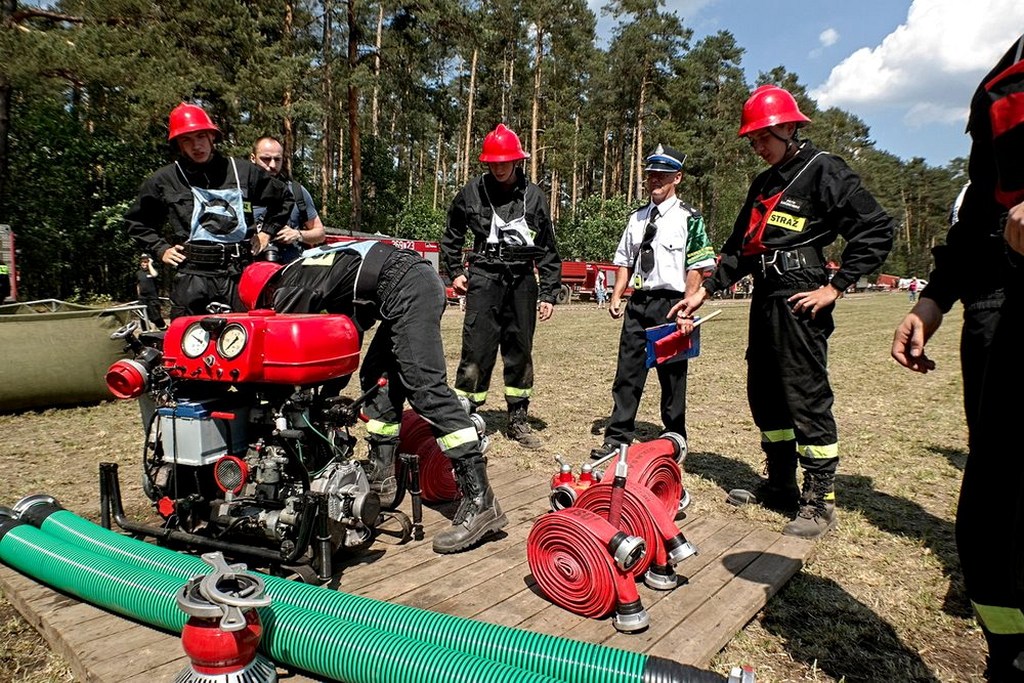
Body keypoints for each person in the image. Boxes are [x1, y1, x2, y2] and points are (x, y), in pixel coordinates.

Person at [671, 85, 895, 540]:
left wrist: (834, 287)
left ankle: (819, 499)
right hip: (766, 295)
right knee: (766, 392)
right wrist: (706, 290)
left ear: (789, 127)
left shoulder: (823, 169)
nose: (757, 146)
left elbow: (875, 228)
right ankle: (780, 483)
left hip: (801, 294)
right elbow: (740, 249)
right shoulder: (762, 183)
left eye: (763, 137)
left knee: (804, 395)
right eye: (752, 140)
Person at [891, 34, 1022, 681]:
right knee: (992, 512)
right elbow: (979, 213)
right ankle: (1009, 655)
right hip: (1003, 297)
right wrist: (933, 301)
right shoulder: (1003, 77)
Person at [237, 241, 507, 554]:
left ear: (266, 293)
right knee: (377, 379)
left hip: (406, 286)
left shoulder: (291, 285)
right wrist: (328, 396)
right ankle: (382, 477)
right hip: (405, 281)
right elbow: (343, 339)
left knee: (426, 389)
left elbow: (305, 352)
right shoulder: (312, 267)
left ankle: (481, 501)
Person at [589, 145, 715, 460]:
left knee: (672, 376)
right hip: (639, 303)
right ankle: (617, 437)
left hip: (671, 304)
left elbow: (697, 267)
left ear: (677, 177)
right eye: (651, 175)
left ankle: (674, 438)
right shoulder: (636, 218)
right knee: (627, 373)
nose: (655, 180)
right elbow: (624, 261)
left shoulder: (689, 218)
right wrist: (617, 294)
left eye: (662, 174)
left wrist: (687, 307)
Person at [440, 123, 562, 450]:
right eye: (493, 163)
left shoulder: (534, 196)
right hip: (484, 277)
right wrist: (455, 271)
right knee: (476, 349)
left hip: (522, 280)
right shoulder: (472, 191)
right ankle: (465, 415)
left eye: (504, 162)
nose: (498, 168)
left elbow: (548, 248)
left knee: (519, 349)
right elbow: (452, 235)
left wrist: (549, 292)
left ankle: (518, 418)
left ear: (516, 160)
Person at [124, 103, 292, 318]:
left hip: (239, 275)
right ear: (178, 144)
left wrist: (266, 232)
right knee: (187, 336)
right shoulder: (165, 179)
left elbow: (284, 198)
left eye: (201, 136)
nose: (196, 146)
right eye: (187, 140)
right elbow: (136, 221)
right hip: (193, 276)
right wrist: (160, 248)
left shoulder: (243, 172)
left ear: (212, 137)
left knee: (246, 334)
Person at [250, 136, 326, 263]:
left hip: (290, 269)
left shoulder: (296, 192)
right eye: (266, 159)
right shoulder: (241, 194)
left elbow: (320, 234)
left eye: (277, 159)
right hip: (250, 268)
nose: (272, 165)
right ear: (253, 158)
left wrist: (297, 235)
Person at [136, 254, 166, 330]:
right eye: (142, 262)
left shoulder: (153, 271)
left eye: (145, 262)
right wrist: (139, 296)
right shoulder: (138, 273)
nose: (143, 264)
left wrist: (150, 264)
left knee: (155, 317)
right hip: (142, 299)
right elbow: (138, 285)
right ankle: (145, 332)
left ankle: (163, 328)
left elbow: (154, 275)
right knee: (143, 317)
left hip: (152, 298)